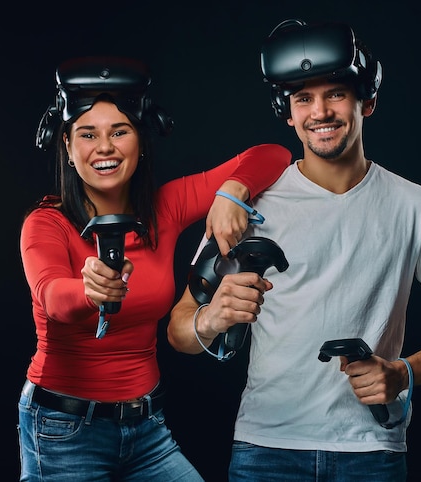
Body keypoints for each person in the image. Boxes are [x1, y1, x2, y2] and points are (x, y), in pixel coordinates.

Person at [167, 19, 421, 481]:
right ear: (288, 112)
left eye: (335, 93)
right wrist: (213, 317)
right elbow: (179, 332)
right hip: (266, 448)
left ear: (367, 101)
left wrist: (403, 373)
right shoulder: (246, 206)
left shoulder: (415, 205)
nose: (320, 111)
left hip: (371, 451)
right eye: (303, 98)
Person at [17, 56, 291, 482]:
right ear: (68, 148)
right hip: (64, 430)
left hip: (145, 428)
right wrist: (91, 290)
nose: (104, 147)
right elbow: (53, 298)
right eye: (87, 135)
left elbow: (273, 153)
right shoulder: (46, 223)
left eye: (119, 132)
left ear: (141, 143)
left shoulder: (164, 208)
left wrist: (233, 193)